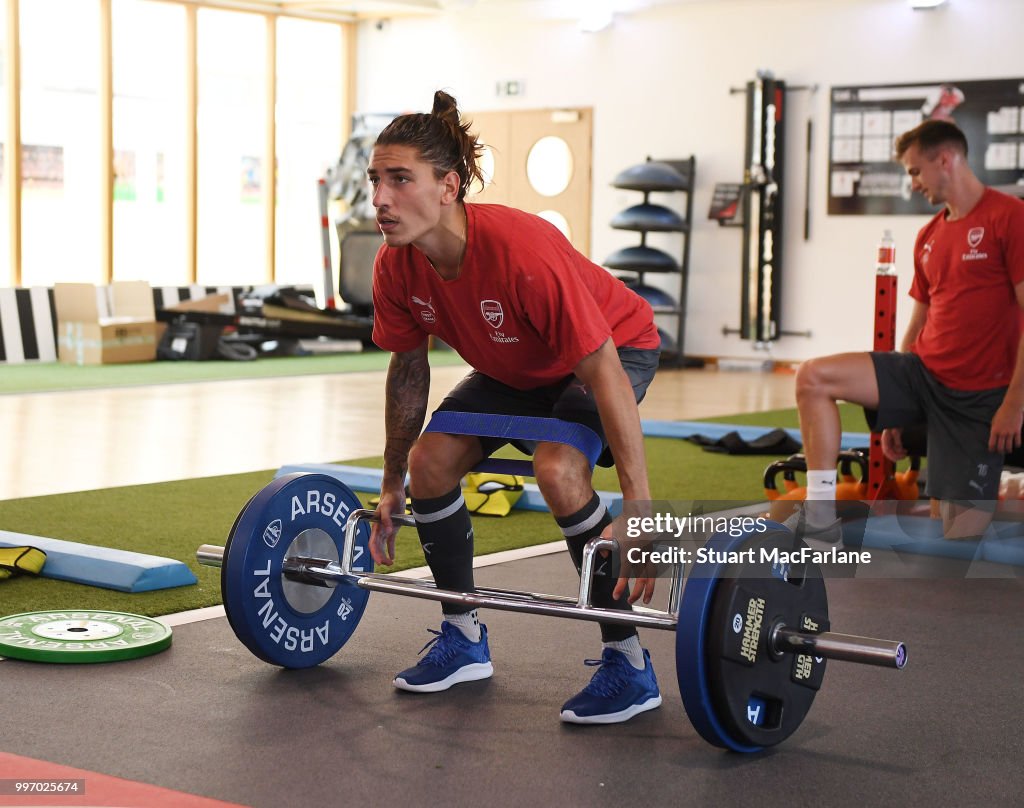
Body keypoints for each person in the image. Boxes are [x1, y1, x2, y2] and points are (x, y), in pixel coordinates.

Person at [366, 90, 663, 724]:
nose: (381, 199)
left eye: (400, 180)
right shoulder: (396, 266)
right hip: (517, 363)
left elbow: (603, 369)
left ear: (448, 186)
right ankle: (464, 639)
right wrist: (392, 480)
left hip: (613, 347)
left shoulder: (522, 252)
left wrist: (638, 508)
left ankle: (631, 663)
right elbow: (408, 368)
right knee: (431, 463)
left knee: (558, 469)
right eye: (375, 180)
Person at [790, 118, 1024, 542]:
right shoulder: (929, 235)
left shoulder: (1010, 218)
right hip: (923, 376)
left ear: (946, 160)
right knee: (812, 376)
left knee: (958, 534)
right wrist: (898, 410)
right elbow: (919, 321)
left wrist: (1015, 402)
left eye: (915, 171)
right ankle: (820, 515)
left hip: (979, 399)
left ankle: (1010, 489)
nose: (912, 182)